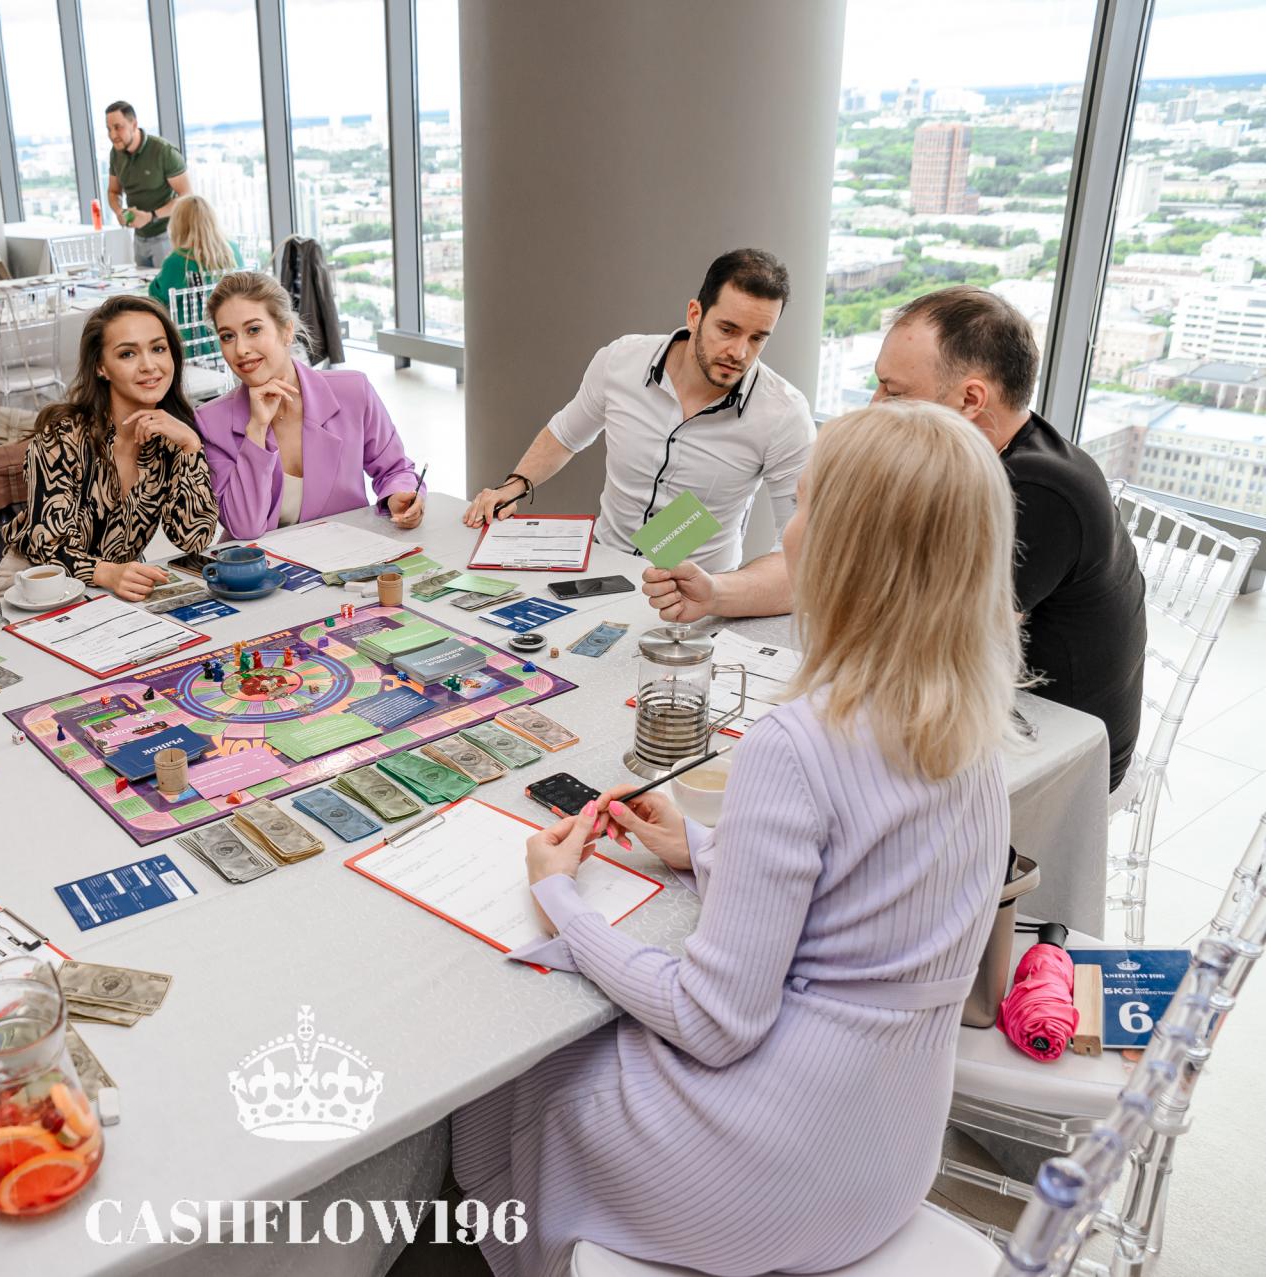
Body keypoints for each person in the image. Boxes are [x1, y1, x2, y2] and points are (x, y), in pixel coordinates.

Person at [453, 400, 1020, 1276]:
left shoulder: (797, 742)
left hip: (762, 1183)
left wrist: (561, 900)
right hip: (896, 1159)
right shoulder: (978, 732)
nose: (786, 533)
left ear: (847, 554)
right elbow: (864, 899)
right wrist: (706, 849)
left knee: (517, 1055)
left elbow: (713, 1021)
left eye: (802, 507)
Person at [651, 286, 1147, 789]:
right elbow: (831, 569)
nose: (876, 405)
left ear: (971, 399)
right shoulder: (964, 461)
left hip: (1057, 753)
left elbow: (925, 648)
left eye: (894, 392)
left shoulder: (1035, 492)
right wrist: (719, 593)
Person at [462, 248, 812, 575]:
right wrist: (514, 485)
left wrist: (721, 595)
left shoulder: (783, 415)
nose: (739, 352)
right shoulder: (621, 361)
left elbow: (798, 546)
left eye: (757, 338)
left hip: (695, 594)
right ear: (695, 315)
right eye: (727, 330)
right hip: (603, 571)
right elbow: (566, 435)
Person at [5, 295, 219, 601]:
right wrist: (107, 573)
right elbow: (46, 546)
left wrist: (190, 447)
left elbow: (194, 539)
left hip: (114, 587)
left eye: (158, 349)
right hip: (33, 581)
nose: (149, 366)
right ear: (101, 367)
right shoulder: (63, 436)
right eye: (128, 354)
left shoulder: (172, 438)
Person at [196, 271, 422, 539]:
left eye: (253, 330)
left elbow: (395, 469)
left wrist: (399, 495)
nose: (240, 349)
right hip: (262, 563)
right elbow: (244, 527)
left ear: (286, 331)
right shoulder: (211, 422)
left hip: (346, 553)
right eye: (227, 336)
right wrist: (256, 429)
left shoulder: (353, 391)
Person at [104, 100, 192, 269]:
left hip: (168, 235)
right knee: (142, 287)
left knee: (167, 286)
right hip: (139, 238)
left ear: (134, 124)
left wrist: (151, 216)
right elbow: (113, 191)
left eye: (118, 127)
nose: (113, 135)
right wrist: (119, 211)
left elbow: (187, 196)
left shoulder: (163, 151)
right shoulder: (116, 153)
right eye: (109, 129)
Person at [147, 194, 243, 313]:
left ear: (178, 224)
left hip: (188, 325)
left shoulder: (177, 260)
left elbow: (158, 299)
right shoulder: (232, 249)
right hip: (228, 320)